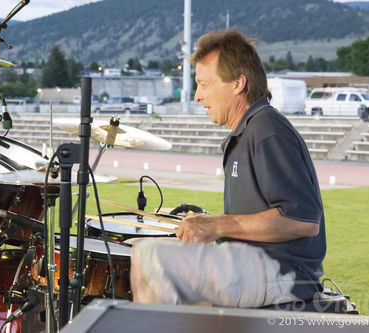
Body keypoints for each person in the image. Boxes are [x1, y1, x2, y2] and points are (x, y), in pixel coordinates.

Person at [130, 29, 326, 308]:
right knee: (146, 252)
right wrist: (207, 222)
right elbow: (257, 218)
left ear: (238, 83)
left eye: (204, 84)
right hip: (260, 263)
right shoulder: (247, 131)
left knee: (152, 257)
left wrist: (216, 225)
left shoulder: (268, 130)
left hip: (284, 274)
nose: (197, 96)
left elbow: (303, 221)